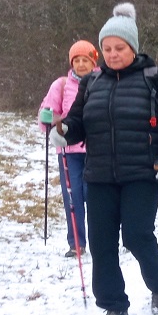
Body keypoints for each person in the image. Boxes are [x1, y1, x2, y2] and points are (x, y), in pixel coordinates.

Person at [52, 3, 158, 315]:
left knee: (136, 235)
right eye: (107, 48)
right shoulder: (92, 83)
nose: (113, 54)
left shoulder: (157, 79)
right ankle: (114, 306)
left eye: (120, 48)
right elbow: (77, 122)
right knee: (100, 242)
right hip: (99, 173)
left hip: (143, 171)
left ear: (133, 48)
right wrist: (64, 131)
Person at [39, 40, 98, 258]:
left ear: (94, 62)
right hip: (69, 152)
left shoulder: (102, 82)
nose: (81, 65)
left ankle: (100, 241)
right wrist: (49, 121)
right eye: (77, 60)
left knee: (94, 197)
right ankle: (76, 244)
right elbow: (46, 112)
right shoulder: (61, 85)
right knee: (73, 197)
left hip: (96, 151)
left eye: (86, 60)